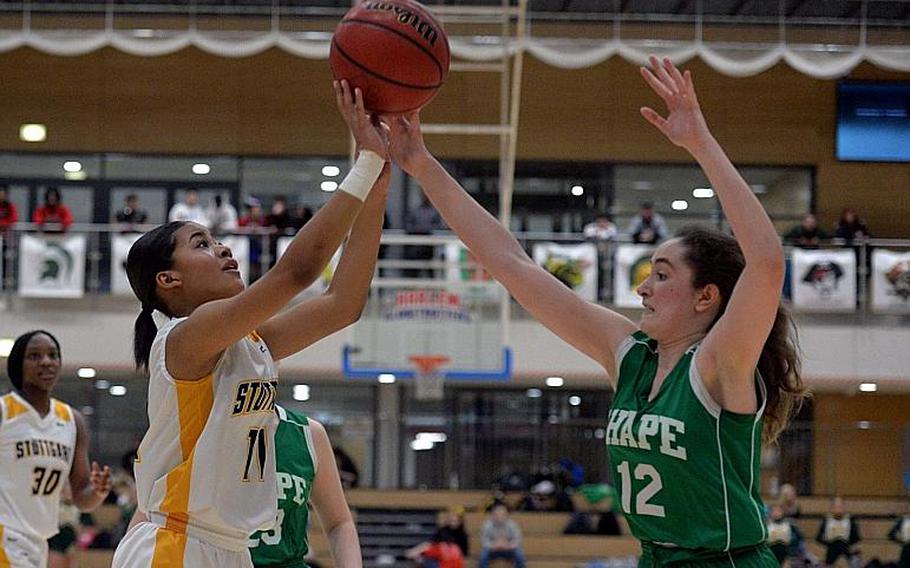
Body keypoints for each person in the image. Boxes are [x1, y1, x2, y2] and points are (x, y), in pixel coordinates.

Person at [384, 56, 806, 567]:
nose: (645, 287)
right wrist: (422, 165)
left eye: (663, 274)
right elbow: (511, 263)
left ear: (707, 297)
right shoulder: (629, 355)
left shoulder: (720, 364)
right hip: (654, 557)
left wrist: (700, 143)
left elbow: (765, 262)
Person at [112, 79, 388, 568]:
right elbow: (299, 272)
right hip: (175, 546)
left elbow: (344, 302)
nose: (221, 247)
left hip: (232, 548)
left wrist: (381, 182)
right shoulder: (183, 340)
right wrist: (364, 163)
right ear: (168, 279)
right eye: (200, 244)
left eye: (217, 240)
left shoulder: (250, 343)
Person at [0, 330, 113, 568]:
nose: (46, 361)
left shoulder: (72, 421)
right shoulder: (5, 411)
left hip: (40, 541)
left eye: (53, 355)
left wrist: (98, 492)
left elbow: (82, 496)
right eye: (34, 355)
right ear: (18, 364)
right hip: (5, 535)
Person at [404, 194, 443, 278]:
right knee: (414, 268)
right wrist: (419, 230)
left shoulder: (435, 211)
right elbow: (408, 226)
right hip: (416, 244)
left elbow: (439, 226)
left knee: (430, 269)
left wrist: (424, 229)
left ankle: (433, 287)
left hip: (429, 244)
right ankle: (412, 286)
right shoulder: (415, 211)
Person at [816, 497, 861, 568]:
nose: (839, 509)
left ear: (844, 507)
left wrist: (852, 547)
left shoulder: (851, 520)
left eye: (840, 506)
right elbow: (818, 538)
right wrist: (829, 543)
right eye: (836, 506)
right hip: (831, 551)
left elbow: (857, 538)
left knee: (856, 561)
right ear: (832, 508)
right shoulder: (827, 520)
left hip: (847, 550)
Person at [478, 503, 525, 568]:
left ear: (506, 515)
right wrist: (493, 545)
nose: (499, 516)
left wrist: (508, 545)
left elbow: (518, 539)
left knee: (519, 553)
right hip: (493, 550)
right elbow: (483, 540)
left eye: (502, 514)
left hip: (508, 549)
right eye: (497, 514)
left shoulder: (512, 525)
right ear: (493, 515)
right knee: (483, 554)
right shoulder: (487, 525)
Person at [887, 502, 910, 568]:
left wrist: (901, 542)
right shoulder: (903, 520)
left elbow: (890, 535)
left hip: (906, 551)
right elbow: (890, 535)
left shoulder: (903, 520)